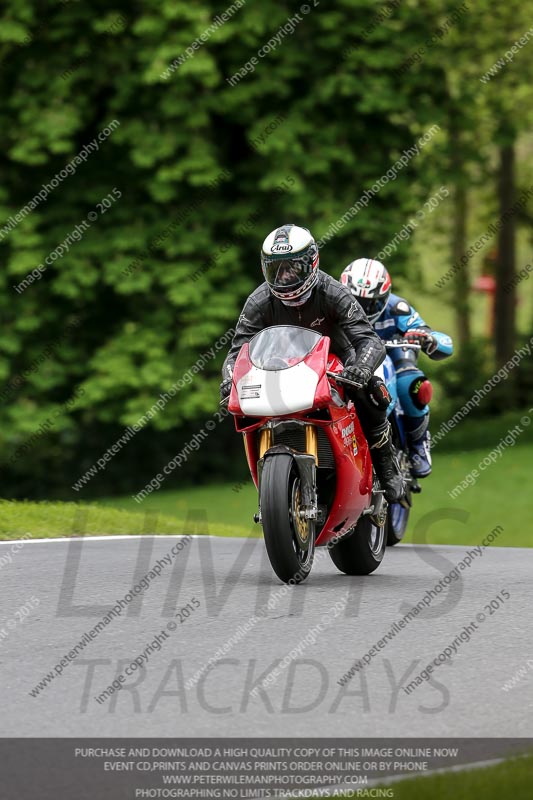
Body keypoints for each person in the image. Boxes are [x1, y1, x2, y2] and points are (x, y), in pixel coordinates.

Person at [220, 224, 406, 503]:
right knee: (239, 406)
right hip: (279, 365)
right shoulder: (258, 301)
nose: (284, 277)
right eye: (276, 269)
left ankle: (385, 463)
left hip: (338, 360)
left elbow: (369, 340)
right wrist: (230, 380)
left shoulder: (334, 291)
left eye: (292, 267)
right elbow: (237, 351)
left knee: (374, 392)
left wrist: (362, 369)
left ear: (311, 263)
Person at [340, 257, 454, 477]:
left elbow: (431, 334)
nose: (362, 310)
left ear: (385, 296)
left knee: (411, 384)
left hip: (392, 354)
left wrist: (427, 338)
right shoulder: (332, 305)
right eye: (355, 302)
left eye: (370, 303)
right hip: (351, 358)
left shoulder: (398, 308)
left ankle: (419, 445)